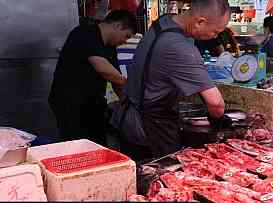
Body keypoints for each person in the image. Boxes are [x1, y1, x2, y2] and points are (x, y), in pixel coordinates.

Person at [121, 0, 231, 160]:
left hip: (130, 115)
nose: (215, 37)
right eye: (215, 32)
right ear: (200, 22)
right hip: (150, 128)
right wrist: (217, 122)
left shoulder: (163, 22)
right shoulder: (180, 47)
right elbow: (216, 104)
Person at [49, 10, 136, 145]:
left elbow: (115, 80)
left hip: (93, 102)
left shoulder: (110, 46)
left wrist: (129, 103)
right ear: (118, 26)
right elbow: (103, 68)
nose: (124, 41)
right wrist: (128, 84)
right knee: (77, 146)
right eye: (126, 36)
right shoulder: (85, 33)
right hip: (70, 103)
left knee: (98, 145)